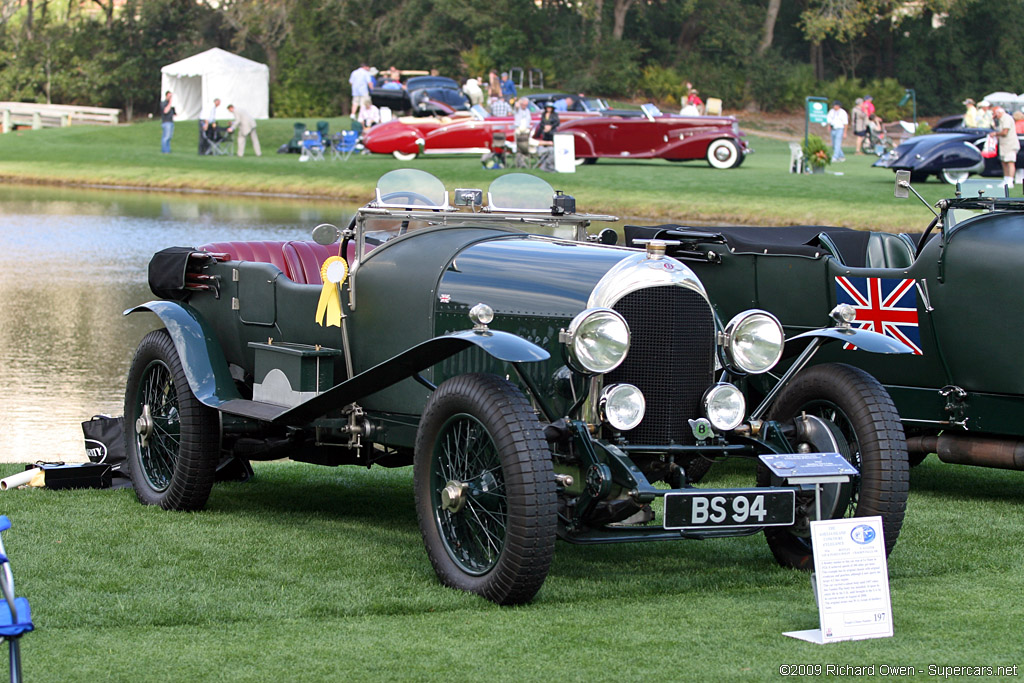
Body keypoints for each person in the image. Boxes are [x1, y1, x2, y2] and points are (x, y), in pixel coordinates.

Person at [989, 105, 1019, 188]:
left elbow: (1005, 132)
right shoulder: (1000, 120)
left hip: (1010, 144)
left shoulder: (1006, 118)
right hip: (1003, 145)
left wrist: (995, 134)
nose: (994, 115)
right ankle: (1006, 179)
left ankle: (1010, 181)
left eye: (994, 113)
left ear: (999, 113)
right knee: (1004, 162)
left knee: (1010, 162)